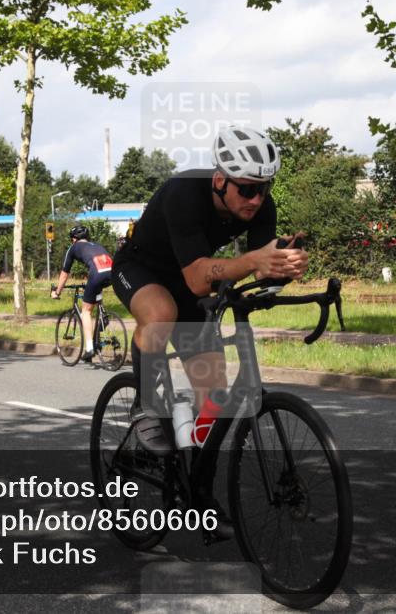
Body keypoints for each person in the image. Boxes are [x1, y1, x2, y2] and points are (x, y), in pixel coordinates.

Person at [111, 125, 309, 532]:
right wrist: (255, 261)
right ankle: (146, 404)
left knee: (214, 395)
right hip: (142, 270)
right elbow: (203, 278)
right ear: (220, 180)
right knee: (161, 312)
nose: (256, 199)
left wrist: (284, 268)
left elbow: (259, 272)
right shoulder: (185, 193)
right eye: (247, 189)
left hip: (191, 283)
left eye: (264, 189)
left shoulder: (261, 206)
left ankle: (197, 488)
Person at [51, 225, 113, 363]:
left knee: (86, 311)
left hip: (97, 274)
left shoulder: (73, 248)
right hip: (112, 272)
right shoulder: (95, 245)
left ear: (73, 239)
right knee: (96, 292)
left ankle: (89, 348)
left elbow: (64, 274)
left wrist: (57, 291)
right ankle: (102, 319)